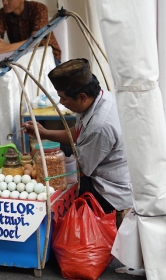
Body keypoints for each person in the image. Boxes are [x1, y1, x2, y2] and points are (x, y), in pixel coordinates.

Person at [22, 58, 132, 226]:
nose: (61, 102)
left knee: (50, 176)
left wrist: (39, 171)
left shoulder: (100, 126)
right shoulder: (97, 99)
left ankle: (54, 229)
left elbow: (79, 171)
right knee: (44, 153)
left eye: (64, 98)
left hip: (109, 190)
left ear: (82, 97)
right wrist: (44, 133)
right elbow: (77, 134)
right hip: (94, 164)